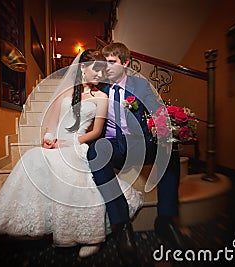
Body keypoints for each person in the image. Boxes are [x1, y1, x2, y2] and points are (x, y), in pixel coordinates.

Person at [0, 49, 143, 258]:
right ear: (82, 68)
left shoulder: (102, 97)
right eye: (95, 70)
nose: (99, 75)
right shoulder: (66, 93)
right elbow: (51, 124)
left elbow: (96, 132)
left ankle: (89, 236)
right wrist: (49, 138)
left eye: (102, 72)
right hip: (57, 144)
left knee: (72, 171)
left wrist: (69, 143)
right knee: (33, 157)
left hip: (77, 144)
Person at [87, 42, 183, 264]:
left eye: (112, 62)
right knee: (95, 152)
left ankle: (166, 219)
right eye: (105, 62)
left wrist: (167, 128)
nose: (107, 67)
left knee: (171, 148)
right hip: (114, 145)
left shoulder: (141, 86)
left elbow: (158, 113)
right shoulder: (98, 88)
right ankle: (121, 225)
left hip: (141, 144)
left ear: (126, 63)